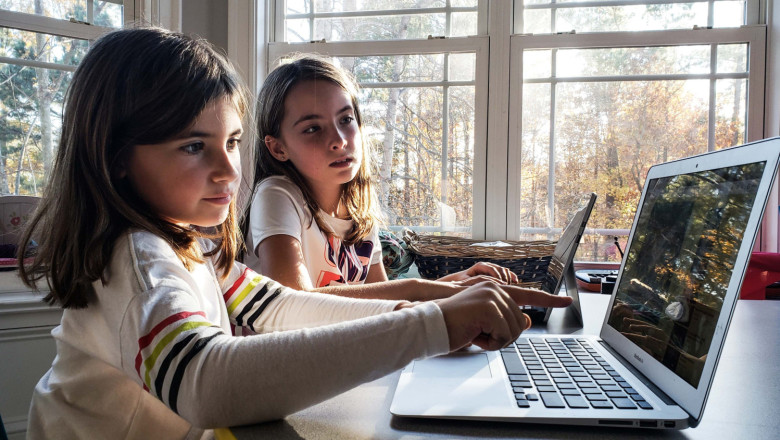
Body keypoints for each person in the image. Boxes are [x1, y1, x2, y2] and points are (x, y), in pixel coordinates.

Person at [17, 28, 571, 439]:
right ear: (114, 156)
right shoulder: (136, 260)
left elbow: (282, 308)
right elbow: (206, 384)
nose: (230, 171)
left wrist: (433, 316)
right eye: (193, 146)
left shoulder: (193, 248)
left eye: (232, 142)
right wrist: (431, 323)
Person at [243, 55, 517, 300]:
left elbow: (382, 303)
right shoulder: (276, 195)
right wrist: (424, 289)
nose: (339, 140)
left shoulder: (358, 207)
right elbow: (295, 304)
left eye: (346, 120)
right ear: (278, 148)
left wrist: (458, 285)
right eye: (313, 128)